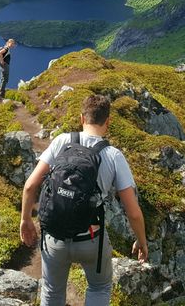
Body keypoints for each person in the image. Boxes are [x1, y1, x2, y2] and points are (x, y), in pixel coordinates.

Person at [20, 94, 148, 306]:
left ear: (82, 118)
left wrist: (25, 220)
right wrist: (141, 241)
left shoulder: (62, 141)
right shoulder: (114, 155)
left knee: (52, 291)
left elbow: (30, 186)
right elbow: (133, 211)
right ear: (108, 122)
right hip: (91, 239)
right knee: (99, 287)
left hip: (54, 237)